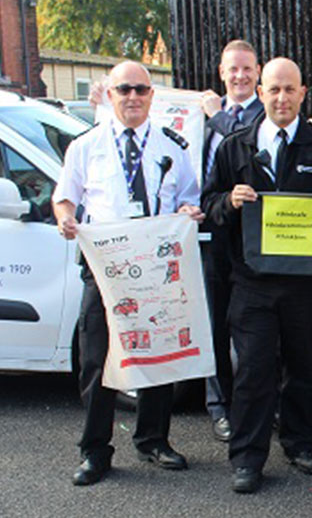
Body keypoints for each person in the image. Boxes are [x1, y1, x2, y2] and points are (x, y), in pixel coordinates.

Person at [201, 57, 312, 493]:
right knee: (254, 371)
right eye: (273, 89)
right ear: (259, 92)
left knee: (304, 369)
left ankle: (300, 444)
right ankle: (248, 458)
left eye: (290, 89)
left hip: (309, 284)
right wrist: (228, 202)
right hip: (252, 283)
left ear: (304, 93)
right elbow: (209, 207)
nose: (281, 97)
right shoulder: (234, 146)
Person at [53, 61, 205, 486]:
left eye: (140, 89)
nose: (133, 97)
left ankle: (153, 439)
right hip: (105, 268)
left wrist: (190, 212)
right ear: (110, 95)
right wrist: (66, 218)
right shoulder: (85, 146)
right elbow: (64, 198)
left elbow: (189, 200)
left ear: (152, 96)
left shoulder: (172, 147)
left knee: (156, 353)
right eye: (124, 90)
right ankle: (95, 450)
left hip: (155, 265)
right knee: (97, 358)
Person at [198, 39, 264, 444]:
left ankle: (257, 405)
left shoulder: (260, 112)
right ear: (221, 73)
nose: (239, 76)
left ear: (257, 73)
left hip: (248, 237)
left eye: (246, 69)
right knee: (212, 325)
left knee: (252, 329)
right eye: (232, 69)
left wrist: (217, 116)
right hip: (206, 233)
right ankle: (219, 406)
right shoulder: (200, 115)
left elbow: (244, 140)